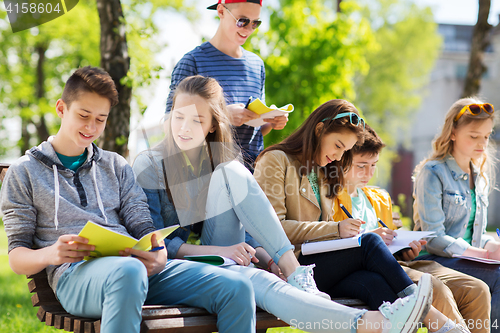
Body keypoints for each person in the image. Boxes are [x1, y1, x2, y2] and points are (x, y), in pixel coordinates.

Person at [134, 75, 435, 333]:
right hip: (177, 265)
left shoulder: (218, 163)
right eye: (179, 116)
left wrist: (269, 260)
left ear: (213, 125)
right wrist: (219, 251)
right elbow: (159, 243)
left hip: (223, 257)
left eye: (197, 120)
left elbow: (249, 230)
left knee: (263, 275)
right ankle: (370, 320)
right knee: (256, 282)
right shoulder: (151, 163)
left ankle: (369, 319)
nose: (184, 128)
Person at [1, 66, 270, 333]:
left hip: (136, 267)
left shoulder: (115, 166)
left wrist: (158, 251)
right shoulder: (24, 172)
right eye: (83, 115)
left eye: (100, 119)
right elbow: (16, 256)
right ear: (61, 109)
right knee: (128, 272)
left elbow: (142, 224)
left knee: (236, 288)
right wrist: (52, 253)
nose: (91, 127)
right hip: (76, 276)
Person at [254, 99, 468, 333]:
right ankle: (429, 312)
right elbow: (273, 228)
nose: (337, 156)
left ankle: (422, 312)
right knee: (369, 241)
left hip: (323, 266)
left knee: (376, 286)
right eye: (337, 145)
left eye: (344, 150)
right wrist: (336, 229)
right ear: (318, 130)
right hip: (293, 268)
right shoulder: (275, 160)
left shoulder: (324, 171)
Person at [336, 124, 491, 333]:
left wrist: (406, 248)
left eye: (374, 165)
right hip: (371, 270)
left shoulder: (378, 197)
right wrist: (371, 238)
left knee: (477, 289)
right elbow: (335, 246)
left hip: (399, 264)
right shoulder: (332, 199)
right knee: (436, 290)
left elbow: (392, 241)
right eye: (361, 165)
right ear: (342, 161)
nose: (369, 173)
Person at [166, 0, 289, 171]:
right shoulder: (192, 62)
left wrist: (271, 121)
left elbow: (254, 133)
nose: (248, 29)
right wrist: (221, 116)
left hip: (253, 175)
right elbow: (170, 124)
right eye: (242, 21)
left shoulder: (257, 65)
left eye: (255, 23)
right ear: (221, 11)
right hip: (207, 174)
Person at [413, 97, 500, 332]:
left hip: (468, 260)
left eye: (487, 136)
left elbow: (473, 233)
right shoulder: (432, 173)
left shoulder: (480, 177)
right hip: (433, 261)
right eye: (474, 136)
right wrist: (484, 253)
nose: (482, 143)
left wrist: (492, 245)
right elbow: (433, 238)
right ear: (452, 133)